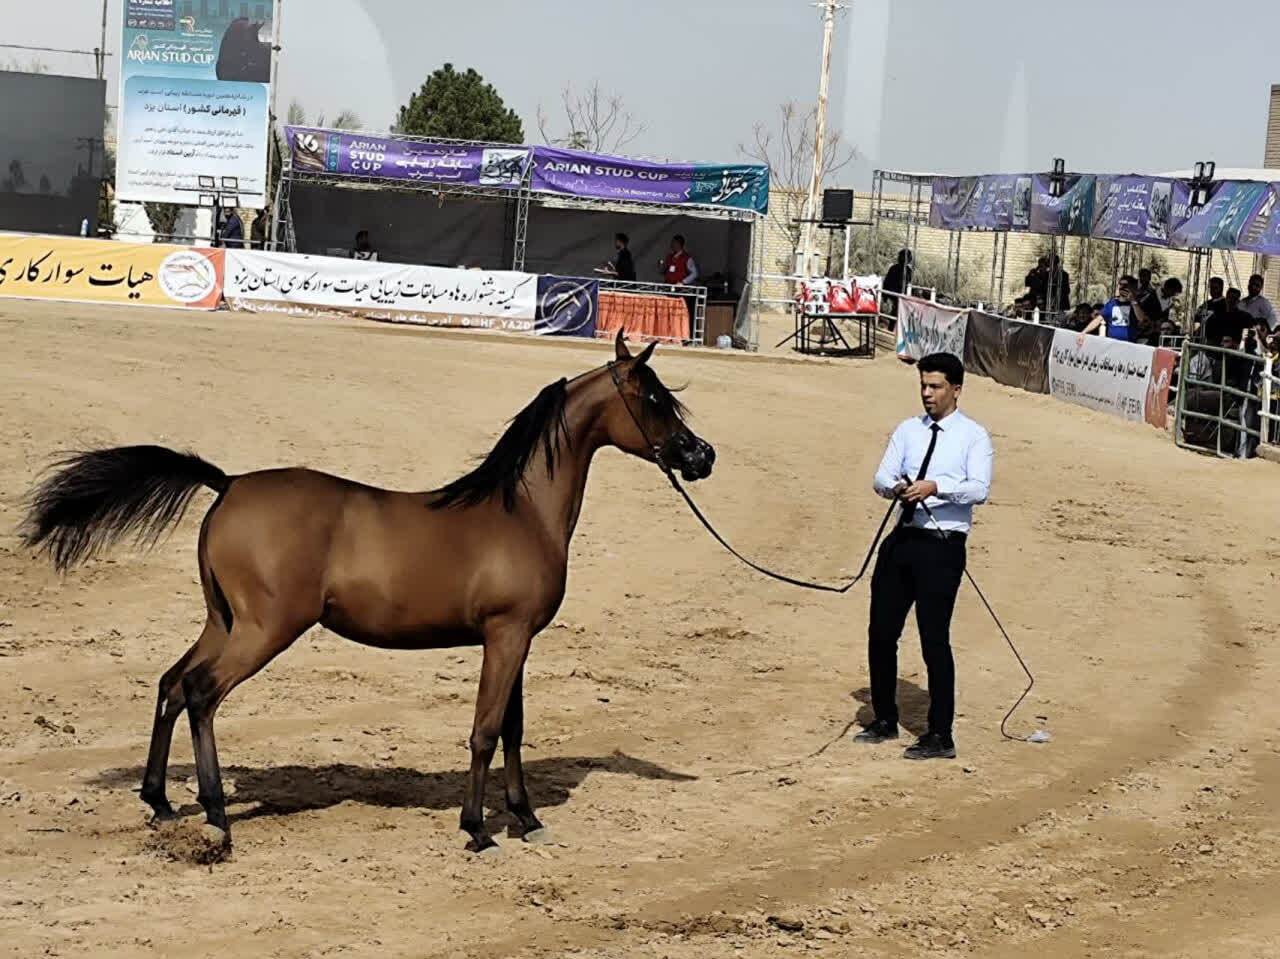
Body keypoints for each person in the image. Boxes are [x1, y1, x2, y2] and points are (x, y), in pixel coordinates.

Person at [855, 352, 993, 761]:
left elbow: (979, 489)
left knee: (935, 639)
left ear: (956, 390)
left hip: (942, 545)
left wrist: (937, 487)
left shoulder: (974, 436)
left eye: (935, 387)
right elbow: (881, 476)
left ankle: (940, 733)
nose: (927, 394)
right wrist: (898, 487)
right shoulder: (907, 430)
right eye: (923, 386)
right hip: (903, 538)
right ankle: (884, 718)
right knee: (881, 632)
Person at [1078, 275, 1138, 343]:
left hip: (1129, 345)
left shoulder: (1134, 304)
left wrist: (1133, 301)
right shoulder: (1111, 303)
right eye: (1120, 284)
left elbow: (1141, 319)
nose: (1122, 287)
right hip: (1111, 344)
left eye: (1125, 285)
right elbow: (1098, 319)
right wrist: (1084, 332)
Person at [881, 249, 914, 322]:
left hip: (900, 294)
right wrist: (885, 296)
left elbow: (908, 283)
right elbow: (887, 282)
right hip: (894, 293)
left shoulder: (908, 271)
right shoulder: (895, 268)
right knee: (896, 309)